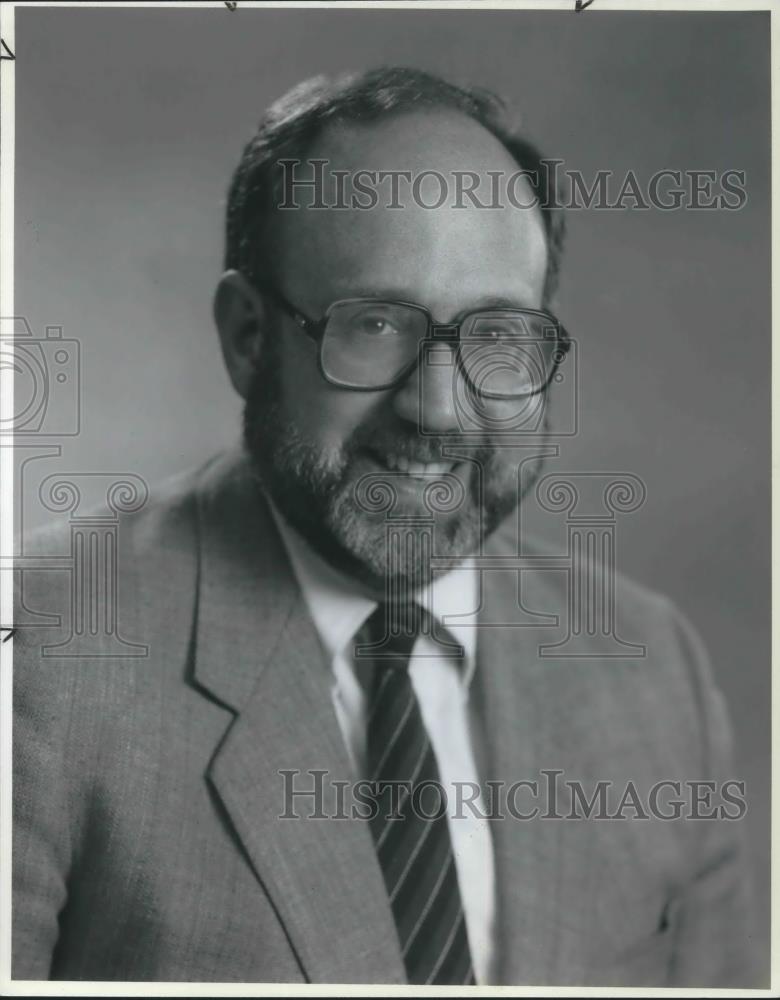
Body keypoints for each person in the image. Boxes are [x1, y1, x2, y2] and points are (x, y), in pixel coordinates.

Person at [13, 67, 757, 986]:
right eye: (373, 326)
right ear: (249, 336)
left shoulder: (652, 670)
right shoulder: (40, 653)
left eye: (497, 335)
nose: (438, 410)